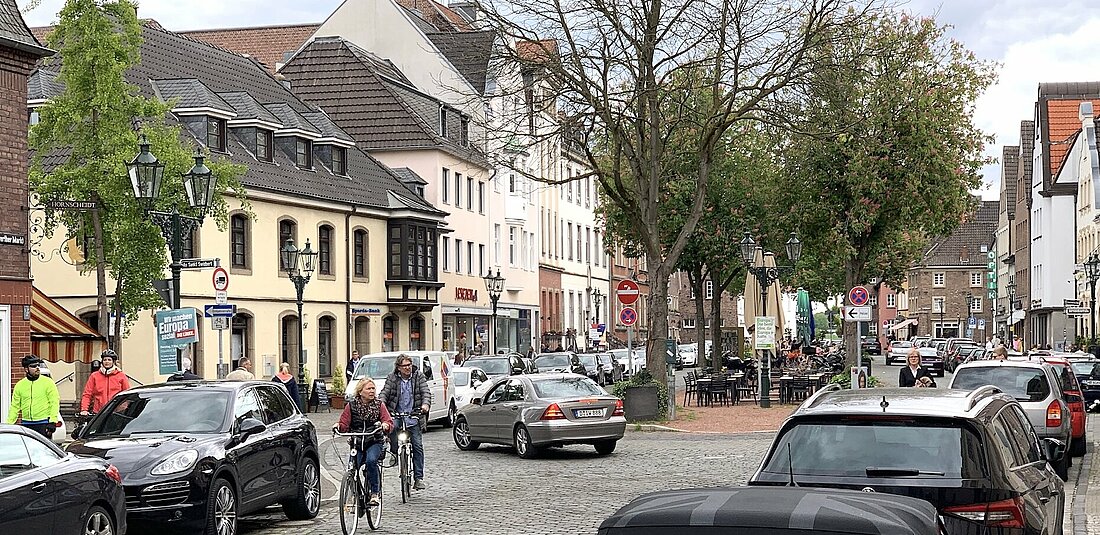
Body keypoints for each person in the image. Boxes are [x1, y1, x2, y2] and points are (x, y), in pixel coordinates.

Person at [333, 379, 393, 506]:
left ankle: (375, 493)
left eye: (373, 388)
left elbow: (387, 421)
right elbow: (344, 424)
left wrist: (385, 425)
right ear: (360, 392)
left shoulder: (379, 405)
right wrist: (338, 426)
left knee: (371, 461)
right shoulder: (351, 406)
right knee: (352, 468)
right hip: (357, 442)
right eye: (368, 389)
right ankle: (354, 494)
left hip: (374, 441)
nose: (372, 391)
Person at [378, 354, 432, 490]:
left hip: (413, 415)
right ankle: (394, 452)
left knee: (417, 446)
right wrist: (381, 405)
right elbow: (385, 393)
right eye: (404, 366)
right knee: (391, 428)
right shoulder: (392, 378)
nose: (407, 368)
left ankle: (418, 478)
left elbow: (425, 392)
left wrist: (425, 405)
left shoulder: (418, 376)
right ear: (398, 367)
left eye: (409, 365)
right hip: (396, 414)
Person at [6, 355, 60, 439]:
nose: (37, 368)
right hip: (26, 423)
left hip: (43, 423)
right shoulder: (20, 385)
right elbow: (15, 407)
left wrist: (53, 421)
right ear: (26, 369)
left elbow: (54, 402)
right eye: (34, 366)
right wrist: (9, 425)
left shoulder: (48, 382)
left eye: (38, 365)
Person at [80, 349, 131, 416]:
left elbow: (127, 394)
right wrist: (84, 409)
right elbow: (87, 394)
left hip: (116, 412)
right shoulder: (94, 376)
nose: (107, 362)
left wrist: (123, 408)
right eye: (105, 360)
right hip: (99, 412)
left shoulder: (121, 376)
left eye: (109, 360)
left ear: (113, 362)